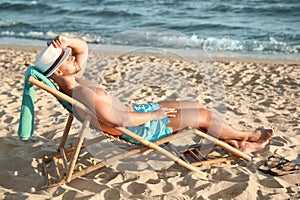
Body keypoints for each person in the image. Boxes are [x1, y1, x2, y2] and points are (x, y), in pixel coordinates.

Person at [34, 35, 274, 154]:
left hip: (136, 113)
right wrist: (155, 115)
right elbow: (119, 121)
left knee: (193, 104)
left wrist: (64, 40)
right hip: (138, 127)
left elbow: (82, 47)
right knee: (205, 116)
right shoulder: (81, 92)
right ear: (56, 71)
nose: (74, 57)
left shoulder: (74, 81)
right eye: (67, 58)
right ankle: (247, 136)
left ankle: (233, 142)